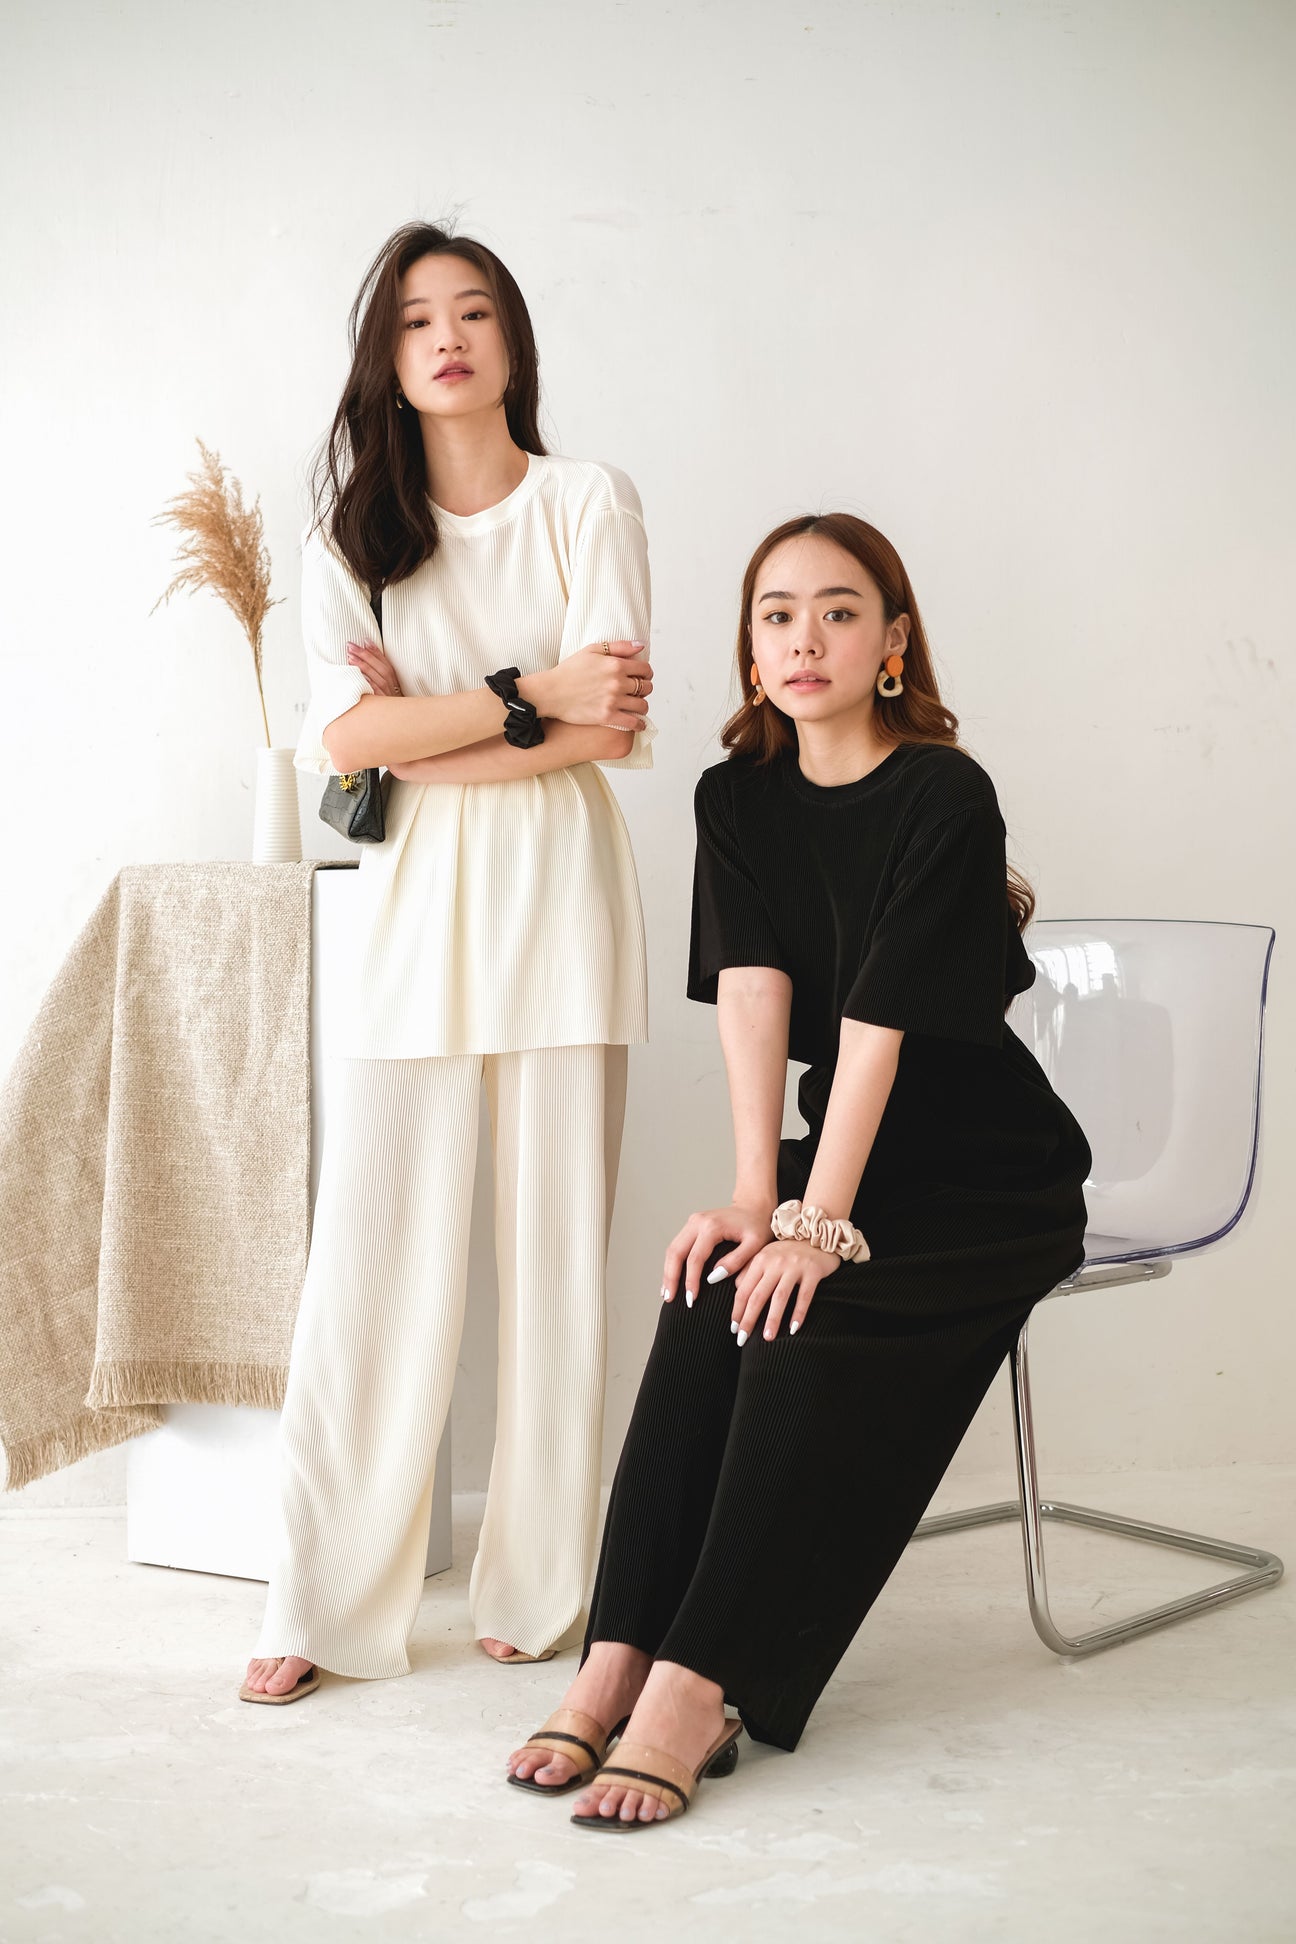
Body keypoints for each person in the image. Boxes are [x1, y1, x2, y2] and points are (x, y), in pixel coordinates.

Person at [504, 511, 1091, 1829]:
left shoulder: (942, 794)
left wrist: (816, 1225)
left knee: (796, 1313)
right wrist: (750, 1197)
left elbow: (877, 1026)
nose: (804, 638)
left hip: (989, 1174)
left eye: (838, 611)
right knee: (711, 1278)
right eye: (777, 614)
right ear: (750, 646)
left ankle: (698, 1685)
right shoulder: (737, 798)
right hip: (843, 1154)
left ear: (893, 641)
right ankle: (616, 1657)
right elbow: (756, 993)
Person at [241, 220, 656, 1702]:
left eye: (474, 313)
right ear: (390, 360)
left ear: (511, 342)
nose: (448, 339)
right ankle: (321, 1600)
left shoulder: (587, 501)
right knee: (371, 1261)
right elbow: (344, 747)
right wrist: (524, 695)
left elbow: (613, 726)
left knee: (557, 1263)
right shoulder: (350, 541)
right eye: (418, 321)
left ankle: (540, 1586)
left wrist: (429, 730)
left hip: (563, 906)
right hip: (413, 916)